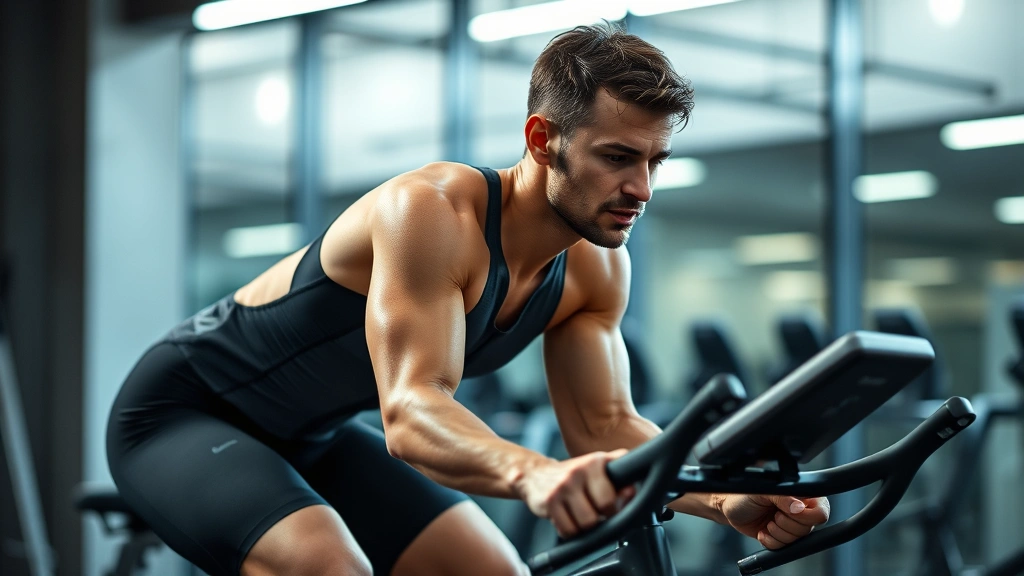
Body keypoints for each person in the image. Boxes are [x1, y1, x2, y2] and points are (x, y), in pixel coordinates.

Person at [106, 23, 829, 576]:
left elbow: (605, 425)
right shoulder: (432, 212)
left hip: (316, 436)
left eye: (653, 161)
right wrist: (532, 472)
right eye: (618, 157)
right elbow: (414, 412)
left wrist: (729, 499)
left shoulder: (595, 268)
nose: (641, 188)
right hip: (182, 414)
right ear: (544, 140)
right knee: (330, 565)